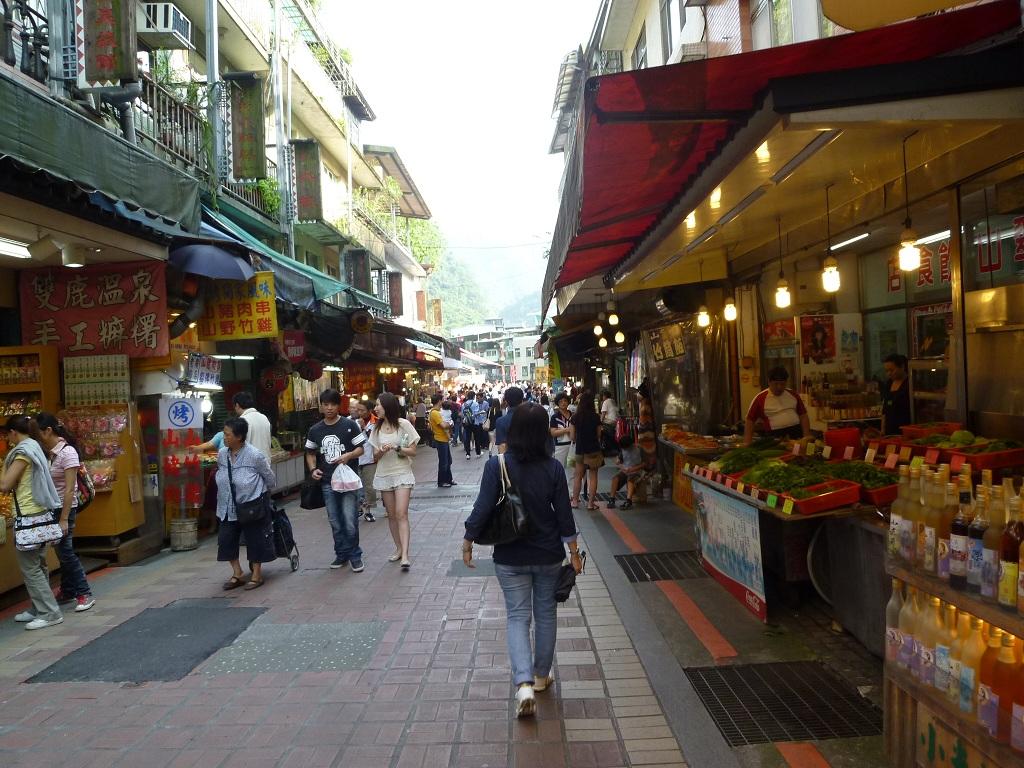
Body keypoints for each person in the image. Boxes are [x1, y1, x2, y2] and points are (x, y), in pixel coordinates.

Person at [462, 403, 583, 718]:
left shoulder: (497, 465)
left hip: (510, 554)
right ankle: (541, 677)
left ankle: (524, 683)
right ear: (544, 432)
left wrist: (468, 540)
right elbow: (565, 515)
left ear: (513, 430)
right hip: (548, 554)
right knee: (546, 615)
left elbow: (483, 507)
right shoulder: (553, 468)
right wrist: (573, 552)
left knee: (517, 617)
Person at [1, 416, 65, 630]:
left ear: (13, 432)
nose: (7, 439)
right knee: (39, 564)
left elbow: (5, 484)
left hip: (29, 514)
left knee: (31, 568)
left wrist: (4, 464)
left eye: (7, 435)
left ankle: (50, 612)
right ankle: (39, 608)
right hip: (40, 513)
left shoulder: (22, 453)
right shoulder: (36, 447)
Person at [34, 412, 94, 612]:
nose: (36, 437)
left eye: (38, 432)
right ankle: (68, 590)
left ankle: (84, 593)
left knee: (65, 552)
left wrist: (64, 519)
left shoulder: (67, 453)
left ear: (48, 430)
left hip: (65, 508)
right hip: (54, 507)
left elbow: (70, 490)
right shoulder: (49, 452)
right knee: (62, 551)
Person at [305, 389, 367, 572]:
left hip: (348, 481)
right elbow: (310, 452)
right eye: (326, 404)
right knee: (335, 521)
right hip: (327, 482)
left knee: (349, 519)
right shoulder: (315, 430)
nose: (329, 408)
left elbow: (361, 449)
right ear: (321, 407)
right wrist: (313, 469)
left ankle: (355, 556)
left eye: (333, 404)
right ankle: (341, 554)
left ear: (339, 406)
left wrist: (348, 455)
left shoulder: (350, 425)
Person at [216, 417, 276, 590]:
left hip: (251, 505)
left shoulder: (254, 455)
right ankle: (238, 573)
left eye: (227, 434)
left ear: (239, 437)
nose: (224, 437)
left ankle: (256, 574)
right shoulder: (222, 454)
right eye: (224, 433)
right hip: (227, 506)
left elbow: (270, 478)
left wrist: (260, 493)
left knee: (255, 539)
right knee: (226, 540)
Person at [369, 392, 420, 570]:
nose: (375, 408)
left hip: (402, 472)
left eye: (378, 405)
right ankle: (398, 548)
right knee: (391, 515)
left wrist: (398, 448)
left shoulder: (403, 424)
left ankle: (405, 554)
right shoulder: (376, 428)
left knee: (401, 513)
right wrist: (382, 450)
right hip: (384, 474)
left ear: (387, 406)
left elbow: (413, 451)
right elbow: (375, 457)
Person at [743, 366, 813, 446]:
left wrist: (806, 436)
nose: (779, 387)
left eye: (782, 384)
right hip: (774, 437)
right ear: (769, 382)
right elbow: (750, 420)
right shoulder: (760, 398)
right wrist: (747, 442)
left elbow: (803, 416)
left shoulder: (793, 395)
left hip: (796, 433)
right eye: (776, 384)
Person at [570, 393, 603, 510]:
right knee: (593, 477)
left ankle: (574, 501)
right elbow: (599, 434)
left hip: (580, 450)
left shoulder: (575, 417)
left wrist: (579, 439)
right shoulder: (596, 417)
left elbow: (572, 437)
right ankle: (590, 503)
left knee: (578, 476)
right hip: (594, 449)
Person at [351, 400, 379, 522]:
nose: (359, 412)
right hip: (354, 458)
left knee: (370, 487)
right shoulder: (350, 422)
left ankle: (368, 510)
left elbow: (375, 440)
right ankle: (358, 507)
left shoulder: (376, 422)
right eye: (357, 409)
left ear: (369, 411)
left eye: (362, 410)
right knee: (355, 486)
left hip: (369, 459)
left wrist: (364, 428)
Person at [607, 434, 643, 510]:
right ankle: (612, 499)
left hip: (637, 471)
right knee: (615, 479)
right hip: (626, 470)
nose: (624, 449)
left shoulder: (639, 449)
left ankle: (629, 501)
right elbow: (619, 459)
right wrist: (618, 461)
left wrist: (632, 469)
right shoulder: (623, 449)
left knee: (630, 480)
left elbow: (644, 464)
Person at [233, 391, 272, 457]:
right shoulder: (264, 417)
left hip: (250, 461)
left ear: (237, 405)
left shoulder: (241, 421)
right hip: (265, 460)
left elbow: (238, 446)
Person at [881, 353, 912, 436]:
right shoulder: (889, 383)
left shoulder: (910, 384)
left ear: (902, 367)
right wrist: (883, 429)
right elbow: (884, 409)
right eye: (886, 371)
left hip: (905, 429)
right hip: (889, 431)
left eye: (891, 370)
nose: (889, 373)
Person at [429, 394, 454, 488]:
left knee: (448, 460)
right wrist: (450, 424)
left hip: (443, 439)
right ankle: (442, 481)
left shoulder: (437, 412)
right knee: (444, 462)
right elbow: (443, 425)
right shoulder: (435, 413)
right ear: (439, 401)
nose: (443, 402)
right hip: (440, 439)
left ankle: (449, 479)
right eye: (442, 400)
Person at [495, 386, 525, 454]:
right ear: (522, 400)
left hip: (510, 457)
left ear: (506, 402)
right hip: (531, 457)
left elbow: (502, 446)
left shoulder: (501, 421)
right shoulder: (531, 417)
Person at [549, 392, 574, 468]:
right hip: (560, 446)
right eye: (560, 401)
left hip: (573, 445)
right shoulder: (555, 417)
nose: (563, 403)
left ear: (568, 402)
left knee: (574, 469)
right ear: (557, 403)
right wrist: (567, 430)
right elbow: (553, 433)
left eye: (565, 401)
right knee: (560, 468)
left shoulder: (573, 416)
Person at [461, 391, 481, 459]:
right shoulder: (475, 403)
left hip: (467, 423)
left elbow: (462, 414)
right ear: (473, 396)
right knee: (477, 438)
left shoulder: (463, 404)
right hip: (475, 423)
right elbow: (476, 413)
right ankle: (478, 453)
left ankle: (468, 454)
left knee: (468, 438)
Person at [599, 390, 619, 454]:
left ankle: (604, 447)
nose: (602, 397)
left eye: (603, 396)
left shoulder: (606, 401)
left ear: (604, 396)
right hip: (616, 421)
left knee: (600, 428)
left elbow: (603, 413)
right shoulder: (613, 401)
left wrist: (600, 422)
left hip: (610, 421)